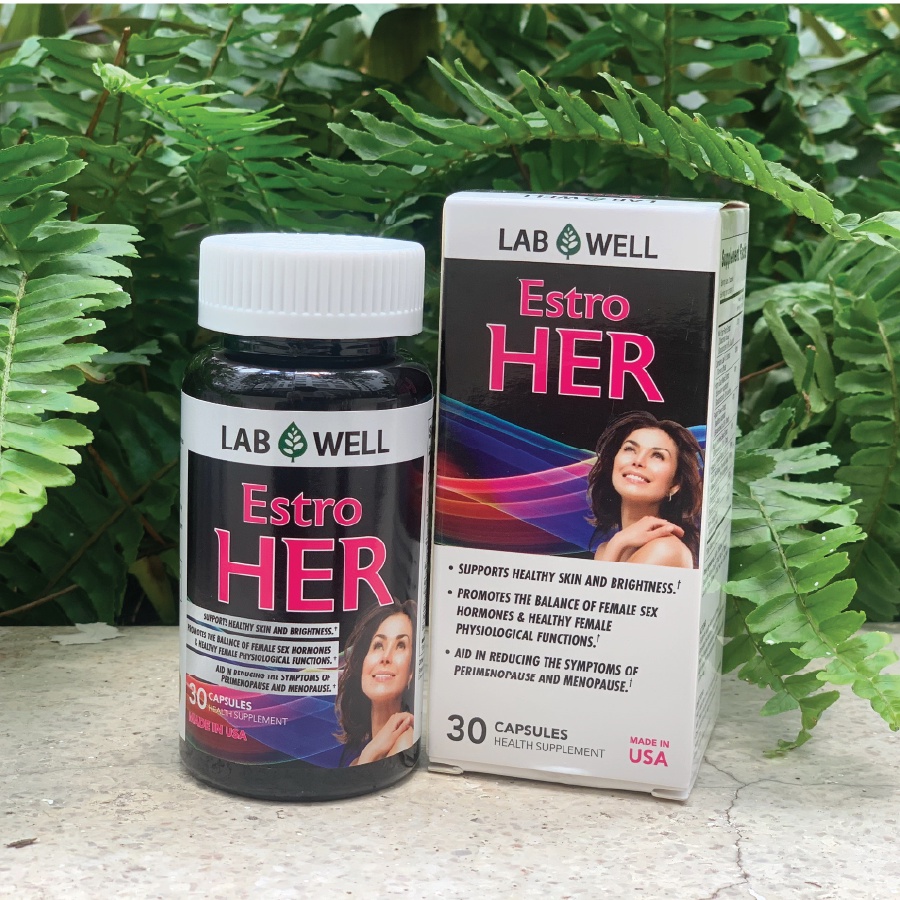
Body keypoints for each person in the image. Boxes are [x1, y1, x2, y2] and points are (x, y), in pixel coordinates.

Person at [587, 411, 702, 568]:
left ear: (675, 484)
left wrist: (617, 543)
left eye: (657, 456)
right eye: (630, 449)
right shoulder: (604, 550)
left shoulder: (665, 550)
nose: (638, 461)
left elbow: (601, 585)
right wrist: (617, 544)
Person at [335, 599, 417, 766]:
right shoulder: (359, 759)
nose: (386, 657)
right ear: (363, 663)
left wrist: (370, 754)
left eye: (401, 645)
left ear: (411, 672)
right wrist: (371, 752)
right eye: (378, 645)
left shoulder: (405, 743)